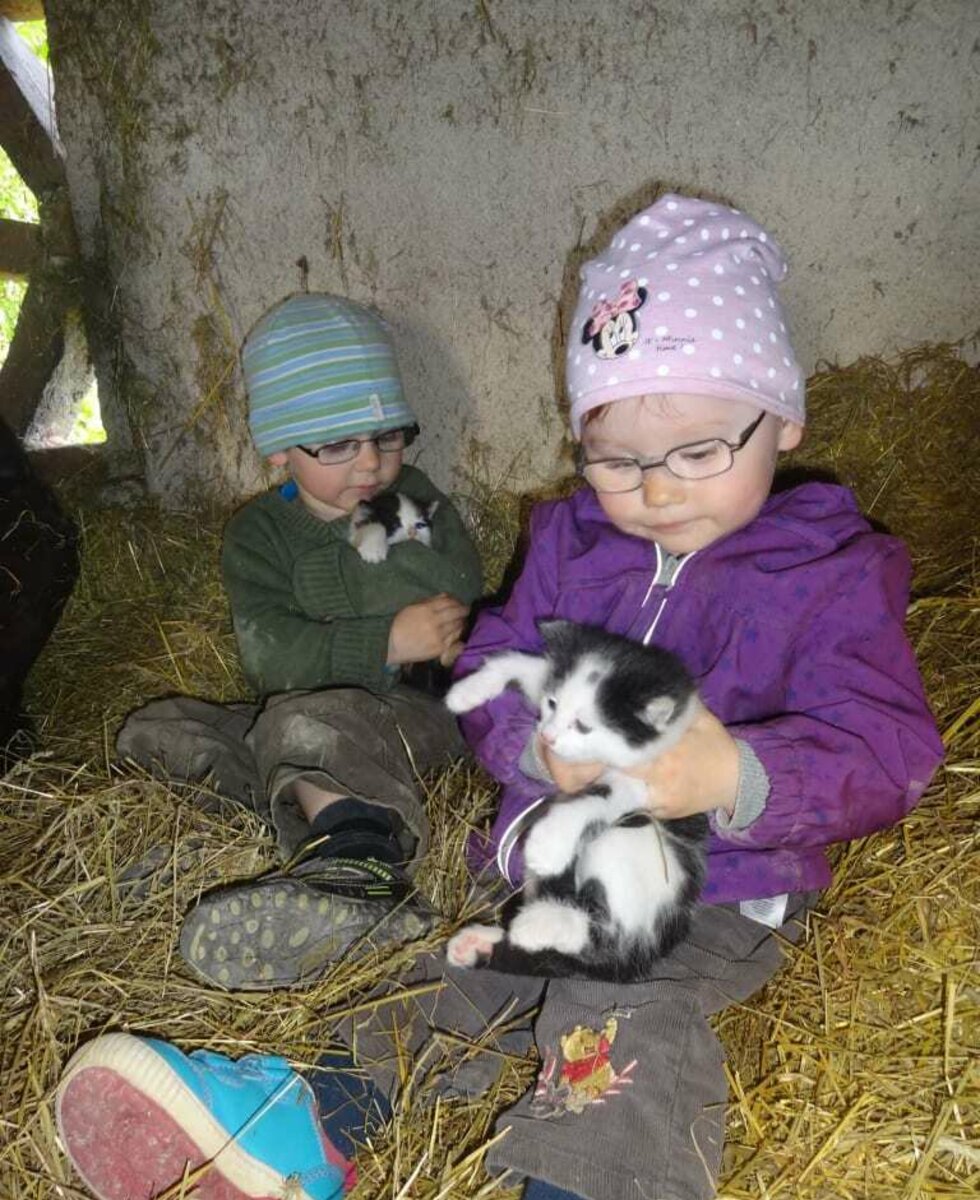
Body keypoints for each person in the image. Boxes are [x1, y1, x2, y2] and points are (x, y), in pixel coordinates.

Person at [56, 195, 943, 1200]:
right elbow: (493, 668)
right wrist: (529, 746)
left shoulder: (826, 569)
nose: (653, 491)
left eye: (697, 452)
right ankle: (294, 1126)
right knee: (449, 973)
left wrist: (734, 771)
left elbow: (888, 746)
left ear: (780, 419)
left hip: (711, 885)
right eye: (611, 459)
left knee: (618, 1011)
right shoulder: (571, 543)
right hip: (544, 865)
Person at [115, 290, 483, 989]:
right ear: (280, 448)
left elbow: (452, 588)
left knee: (303, 723)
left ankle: (360, 870)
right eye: (338, 444)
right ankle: (315, 806)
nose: (370, 463)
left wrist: (395, 637)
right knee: (158, 730)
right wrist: (379, 636)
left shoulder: (415, 498)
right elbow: (270, 657)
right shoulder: (257, 537)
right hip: (303, 711)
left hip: (422, 716)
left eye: (388, 436)